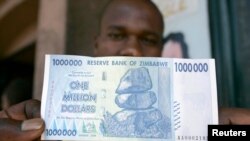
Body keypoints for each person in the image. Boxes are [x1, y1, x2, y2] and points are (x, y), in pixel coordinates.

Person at [0, 0, 250, 140]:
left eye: (149, 40)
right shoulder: (48, 124)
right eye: (117, 35)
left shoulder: (201, 125)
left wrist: (223, 130)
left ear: (162, 50)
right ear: (96, 44)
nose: (132, 50)